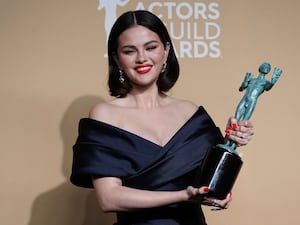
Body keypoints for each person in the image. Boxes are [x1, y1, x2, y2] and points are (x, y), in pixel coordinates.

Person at [70, 10, 254, 225]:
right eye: (129, 51)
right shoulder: (105, 114)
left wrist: (231, 140)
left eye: (151, 47)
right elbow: (108, 199)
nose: (142, 58)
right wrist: (183, 196)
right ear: (117, 58)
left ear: (166, 50)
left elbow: (210, 186)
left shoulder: (189, 111)